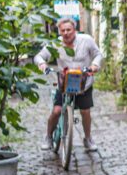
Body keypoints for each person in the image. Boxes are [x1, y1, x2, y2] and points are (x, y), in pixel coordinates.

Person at [34, 17, 103, 152]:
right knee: (57, 111)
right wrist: (42, 64)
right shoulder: (56, 44)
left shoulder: (86, 40)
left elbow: (98, 55)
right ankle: (48, 136)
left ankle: (88, 138)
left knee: (85, 111)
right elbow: (39, 56)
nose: (66, 33)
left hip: (84, 82)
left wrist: (94, 65)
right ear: (59, 31)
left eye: (69, 30)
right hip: (64, 83)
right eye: (63, 30)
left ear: (74, 30)